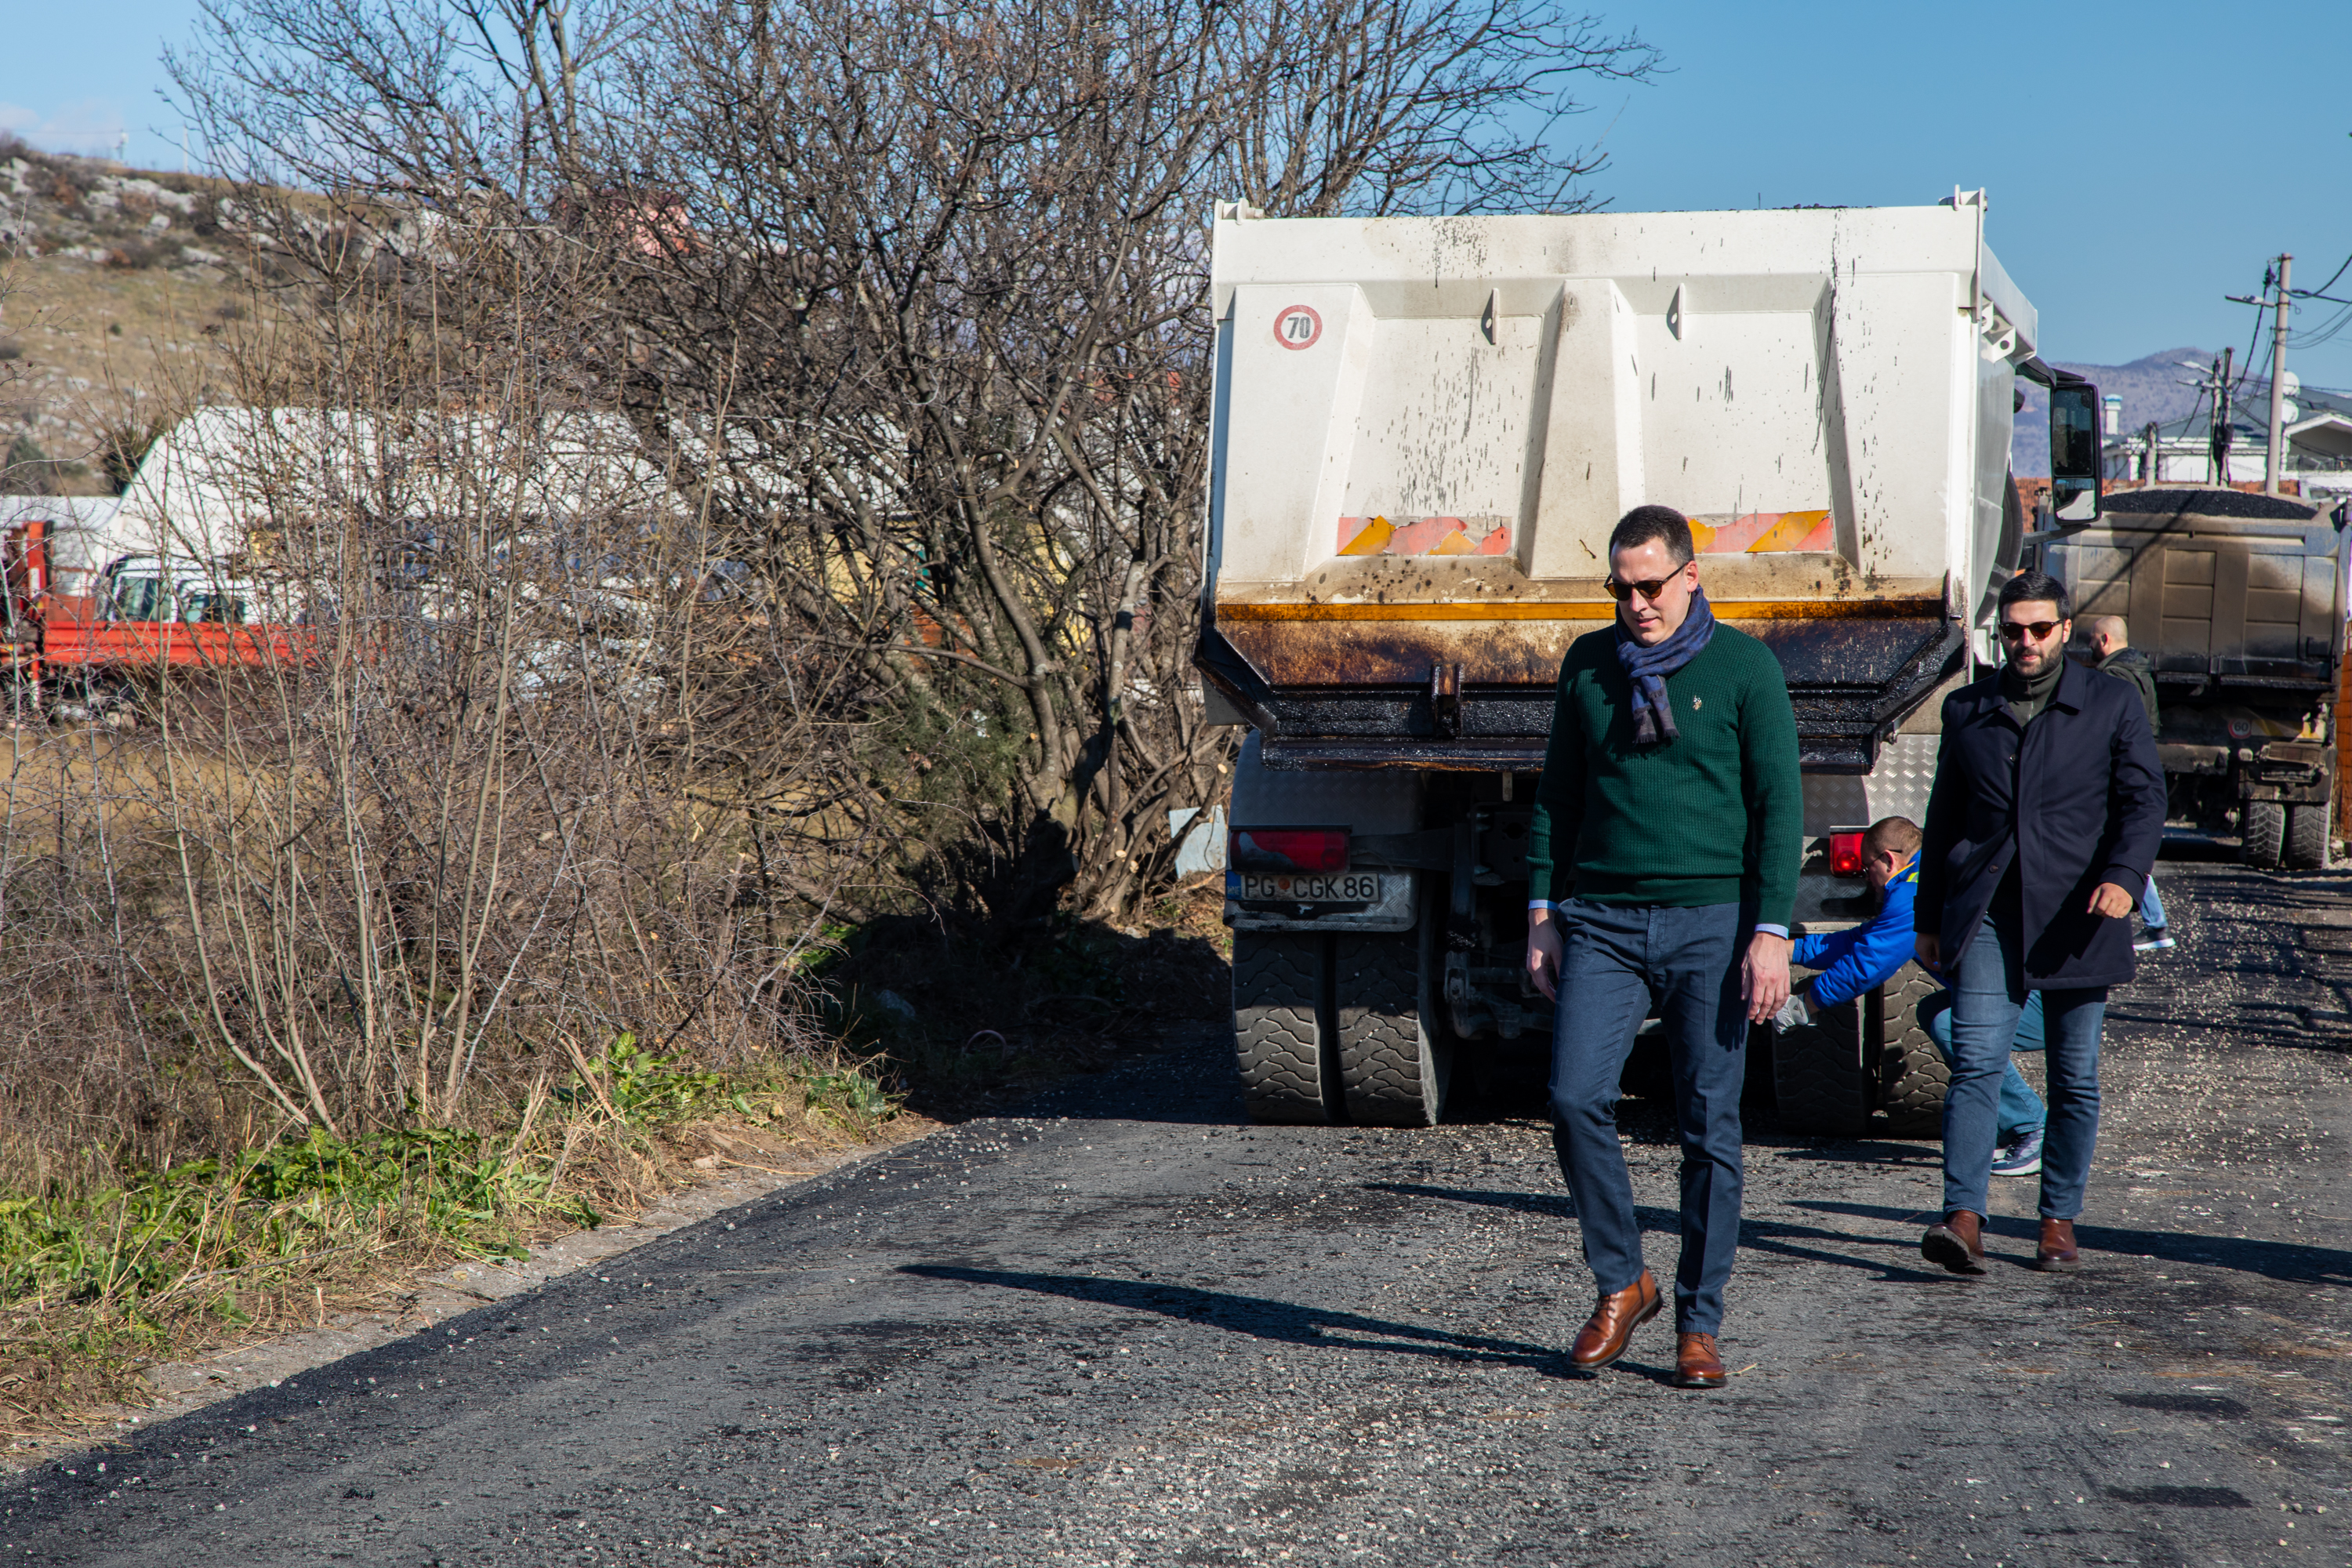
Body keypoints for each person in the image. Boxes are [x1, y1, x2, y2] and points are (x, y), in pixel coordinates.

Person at [1525, 504, 1802, 1388]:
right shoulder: (1589, 666)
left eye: (1651, 584)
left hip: (1712, 923)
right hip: (1601, 917)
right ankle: (1623, 1279)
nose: (1636, 602)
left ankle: (1698, 1321)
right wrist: (1541, 911)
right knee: (1574, 1097)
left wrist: (1770, 932)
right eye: (1621, 586)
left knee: (1708, 1124)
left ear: (1691, 574)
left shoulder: (1745, 668)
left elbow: (1778, 807)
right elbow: (1557, 799)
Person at [1914, 571, 2165, 1273]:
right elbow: (1941, 824)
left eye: (2038, 629)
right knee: (1975, 1065)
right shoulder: (1969, 709)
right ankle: (1963, 1218)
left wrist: (2123, 877)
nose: (2025, 642)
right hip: (1990, 916)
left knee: (2074, 1077)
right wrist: (1929, 916)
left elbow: (2144, 804)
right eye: (2012, 631)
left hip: (2079, 916)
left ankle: (2058, 1220)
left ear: (2064, 629)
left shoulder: (2111, 703)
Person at [1772, 815, 2049, 1178]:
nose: (1867, 879)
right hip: (2025, 994)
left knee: (1954, 1022)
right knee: (1936, 1010)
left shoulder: (1910, 891)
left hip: (2042, 1003)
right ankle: (2010, 1126)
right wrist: (1787, 950)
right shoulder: (1923, 876)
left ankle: (2031, 1128)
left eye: (1867, 868)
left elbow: (1869, 964)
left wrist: (1804, 1005)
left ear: (1888, 860)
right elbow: (1861, 941)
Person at [2085, 615, 2172, 952]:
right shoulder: (2140, 668)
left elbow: (2112, 729)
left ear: (2104, 639)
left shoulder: (2113, 675)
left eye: (2092, 639)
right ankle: (2156, 925)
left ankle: (2156, 925)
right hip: (2137, 762)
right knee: (2128, 842)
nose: (2090, 645)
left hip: (2118, 766)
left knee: (2124, 845)